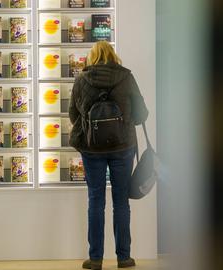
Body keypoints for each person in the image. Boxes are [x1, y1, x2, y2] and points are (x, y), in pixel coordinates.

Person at [68, 41, 149, 270]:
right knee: (121, 202)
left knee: (95, 201)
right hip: (123, 147)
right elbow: (142, 114)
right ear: (113, 55)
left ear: (91, 57)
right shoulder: (126, 77)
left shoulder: (81, 79)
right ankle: (124, 258)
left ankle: (95, 259)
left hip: (91, 149)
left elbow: (73, 115)